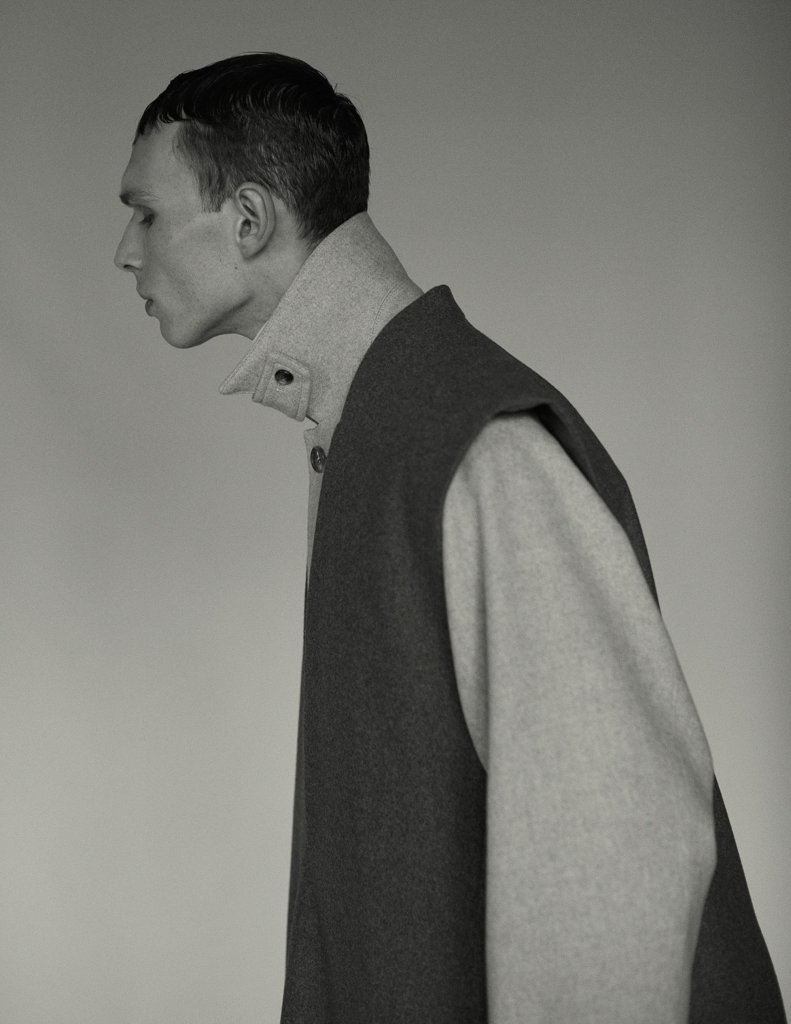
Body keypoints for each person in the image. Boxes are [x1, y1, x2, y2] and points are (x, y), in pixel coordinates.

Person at [114, 53, 785, 1024]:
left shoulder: (478, 447)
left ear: (249, 220)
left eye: (144, 213)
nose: (125, 251)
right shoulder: (374, 424)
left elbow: (613, 864)